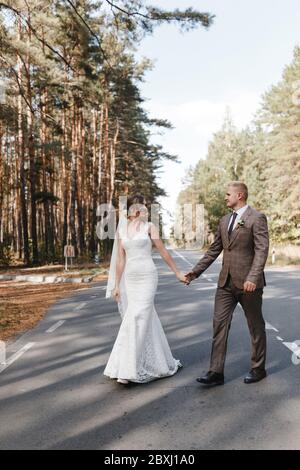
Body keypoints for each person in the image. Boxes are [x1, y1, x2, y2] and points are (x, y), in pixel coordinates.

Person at [185, 182, 269, 386]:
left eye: (228, 194)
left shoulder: (256, 218)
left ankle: (258, 368)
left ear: (240, 195)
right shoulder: (224, 221)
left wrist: (253, 277)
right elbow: (214, 250)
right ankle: (216, 372)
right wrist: (194, 273)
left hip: (248, 284)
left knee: (255, 325)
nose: (225, 197)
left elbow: (262, 250)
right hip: (225, 284)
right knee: (219, 325)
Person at [104, 194, 186, 384]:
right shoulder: (121, 232)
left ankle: (127, 368)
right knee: (136, 316)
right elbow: (120, 260)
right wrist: (117, 285)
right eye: (143, 208)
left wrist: (177, 272)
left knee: (139, 315)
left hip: (148, 276)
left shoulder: (150, 227)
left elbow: (163, 251)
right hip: (131, 278)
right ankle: (134, 363)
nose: (146, 211)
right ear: (135, 211)